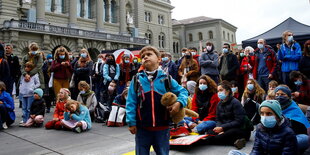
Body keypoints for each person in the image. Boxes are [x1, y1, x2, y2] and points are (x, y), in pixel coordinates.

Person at [126, 46, 188, 155]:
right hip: (142, 128)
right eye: (143, 56)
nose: (145, 57)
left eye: (149, 54)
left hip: (162, 128)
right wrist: (131, 122)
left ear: (159, 59)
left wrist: (179, 103)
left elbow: (183, 92)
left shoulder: (166, 79)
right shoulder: (136, 79)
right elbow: (131, 102)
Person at [229, 100, 298, 155]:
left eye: (269, 113)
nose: (265, 117)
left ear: (277, 115)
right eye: (262, 113)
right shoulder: (260, 128)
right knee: (233, 153)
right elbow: (257, 149)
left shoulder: (288, 133)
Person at [203, 81, 251, 149]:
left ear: (228, 91)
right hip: (225, 128)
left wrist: (223, 128)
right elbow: (218, 119)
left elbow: (238, 121)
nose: (219, 93)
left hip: (238, 129)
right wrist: (220, 128)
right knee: (210, 131)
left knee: (226, 134)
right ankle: (234, 141)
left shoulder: (235, 102)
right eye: (218, 91)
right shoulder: (219, 104)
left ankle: (209, 140)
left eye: (221, 90)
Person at [274, 85, 310, 150]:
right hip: (278, 135)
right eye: (277, 94)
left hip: (294, 134)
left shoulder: (294, 108)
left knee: (304, 139)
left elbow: (300, 129)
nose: (279, 96)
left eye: (282, 94)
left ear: (288, 96)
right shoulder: (274, 106)